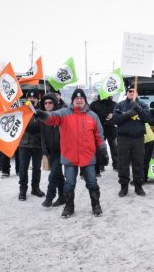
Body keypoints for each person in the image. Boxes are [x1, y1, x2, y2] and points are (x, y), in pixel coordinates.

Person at [35, 88, 108, 218]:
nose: (79, 100)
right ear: (72, 100)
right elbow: (52, 117)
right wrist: (44, 115)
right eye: (76, 98)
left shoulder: (93, 116)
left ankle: (96, 205)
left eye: (81, 98)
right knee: (69, 183)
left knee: (92, 182)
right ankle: (69, 207)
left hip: (88, 155)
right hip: (70, 156)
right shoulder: (64, 113)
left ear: (85, 100)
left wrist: (102, 148)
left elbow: (99, 135)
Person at [113, 84, 151, 197]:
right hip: (123, 139)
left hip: (138, 139)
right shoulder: (119, 105)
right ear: (127, 93)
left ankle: (138, 186)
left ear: (137, 93)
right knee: (123, 164)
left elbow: (147, 118)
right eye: (129, 91)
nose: (131, 93)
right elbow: (116, 120)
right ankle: (124, 187)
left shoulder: (143, 105)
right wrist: (128, 114)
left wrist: (138, 108)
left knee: (138, 163)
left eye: (133, 91)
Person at [18, 89, 45, 201]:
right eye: (30, 98)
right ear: (27, 99)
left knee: (37, 168)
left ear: (38, 99)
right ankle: (23, 190)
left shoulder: (41, 111)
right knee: (23, 168)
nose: (32, 99)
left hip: (38, 144)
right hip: (24, 144)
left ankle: (35, 188)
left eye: (34, 98)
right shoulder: (22, 111)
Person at [40, 93, 65, 207]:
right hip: (50, 152)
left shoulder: (60, 114)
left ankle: (49, 197)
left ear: (54, 103)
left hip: (61, 151)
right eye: (45, 103)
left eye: (50, 102)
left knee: (53, 175)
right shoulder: (42, 116)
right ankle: (63, 197)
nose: (47, 105)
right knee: (58, 175)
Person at [90, 95, 118, 174]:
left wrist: (113, 116)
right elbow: (90, 116)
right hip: (99, 129)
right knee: (100, 148)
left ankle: (116, 165)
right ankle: (100, 166)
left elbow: (118, 116)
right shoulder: (94, 104)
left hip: (111, 129)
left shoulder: (114, 104)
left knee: (114, 147)